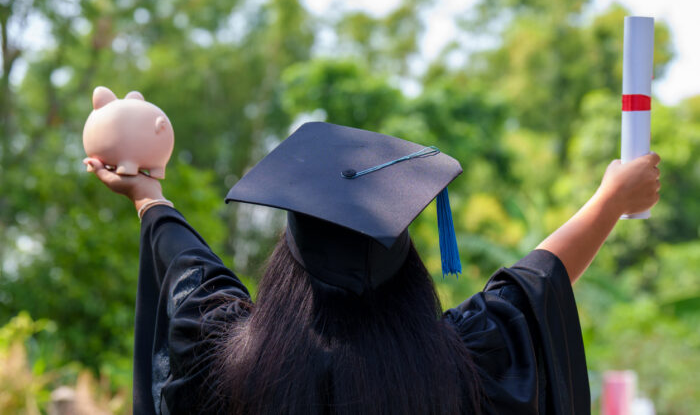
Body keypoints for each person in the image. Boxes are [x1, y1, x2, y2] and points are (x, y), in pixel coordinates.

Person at [84, 92, 661, 415]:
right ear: (404, 265)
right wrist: (610, 199)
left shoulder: (229, 364)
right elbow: (533, 285)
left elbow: (193, 276)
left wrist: (148, 193)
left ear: (290, 265)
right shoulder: (459, 370)